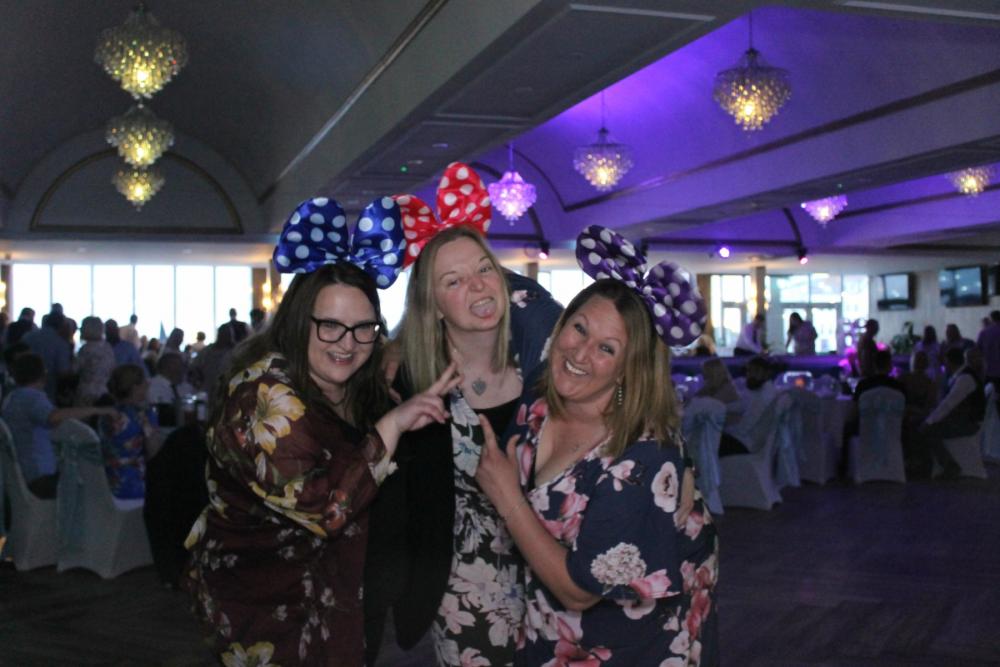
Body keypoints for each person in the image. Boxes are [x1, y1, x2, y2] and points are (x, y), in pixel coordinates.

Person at [184, 195, 460, 666]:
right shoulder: (263, 394)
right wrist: (392, 425)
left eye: (363, 328)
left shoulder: (352, 379)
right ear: (299, 320)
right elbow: (325, 509)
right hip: (266, 600)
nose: (347, 344)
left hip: (333, 592)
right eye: (330, 326)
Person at [476, 226, 717, 666]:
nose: (580, 353)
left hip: (629, 651)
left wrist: (506, 495)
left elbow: (580, 592)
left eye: (606, 348)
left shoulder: (643, 459)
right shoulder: (541, 399)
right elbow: (487, 281)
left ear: (627, 369)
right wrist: (396, 347)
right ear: (560, 324)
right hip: (547, 637)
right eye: (579, 328)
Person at [365, 163, 565, 667]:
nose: (477, 288)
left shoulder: (542, 369)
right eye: (454, 281)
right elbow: (365, 484)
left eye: (483, 270)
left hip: (554, 577)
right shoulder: (407, 383)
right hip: (465, 592)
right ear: (432, 305)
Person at [2, 353, 115, 498]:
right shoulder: (32, 397)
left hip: (19, 475)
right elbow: (53, 417)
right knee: (94, 486)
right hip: (39, 477)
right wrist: (97, 410)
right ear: (43, 374)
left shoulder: (10, 398)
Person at [916, 347, 985, 479]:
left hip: (969, 423)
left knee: (929, 430)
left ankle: (949, 465)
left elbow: (949, 403)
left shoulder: (965, 378)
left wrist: (930, 420)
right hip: (967, 419)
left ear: (949, 361)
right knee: (927, 425)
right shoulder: (964, 376)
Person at [99, 364, 158, 499]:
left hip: (107, 482)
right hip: (133, 485)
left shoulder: (106, 415)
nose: (148, 384)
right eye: (144, 381)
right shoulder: (143, 416)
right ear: (136, 387)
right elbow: (154, 453)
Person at [719, 356, 778, 456]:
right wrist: (720, 407)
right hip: (747, 441)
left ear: (767, 373)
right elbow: (743, 404)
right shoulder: (761, 390)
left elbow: (745, 427)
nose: (749, 375)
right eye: (748, 371)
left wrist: (723, 430)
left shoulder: (765, 396)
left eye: (755, 371)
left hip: (747, 444)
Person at [22, 307, 72, 401]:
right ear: (61, 325)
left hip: (23, 382)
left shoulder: (27, 336)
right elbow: (63, 370)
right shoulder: (60, 342)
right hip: (48, 385)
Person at [74, 316, 116, 407]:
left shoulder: (85, 349)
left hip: (86, 392)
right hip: (104, 392)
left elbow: (74, 370)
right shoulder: (108, 347)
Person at [976, 310, 1000, 390]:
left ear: (991, 319)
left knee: (989, 393)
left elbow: (978, 350)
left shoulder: (984, 332)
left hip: (989, 370)